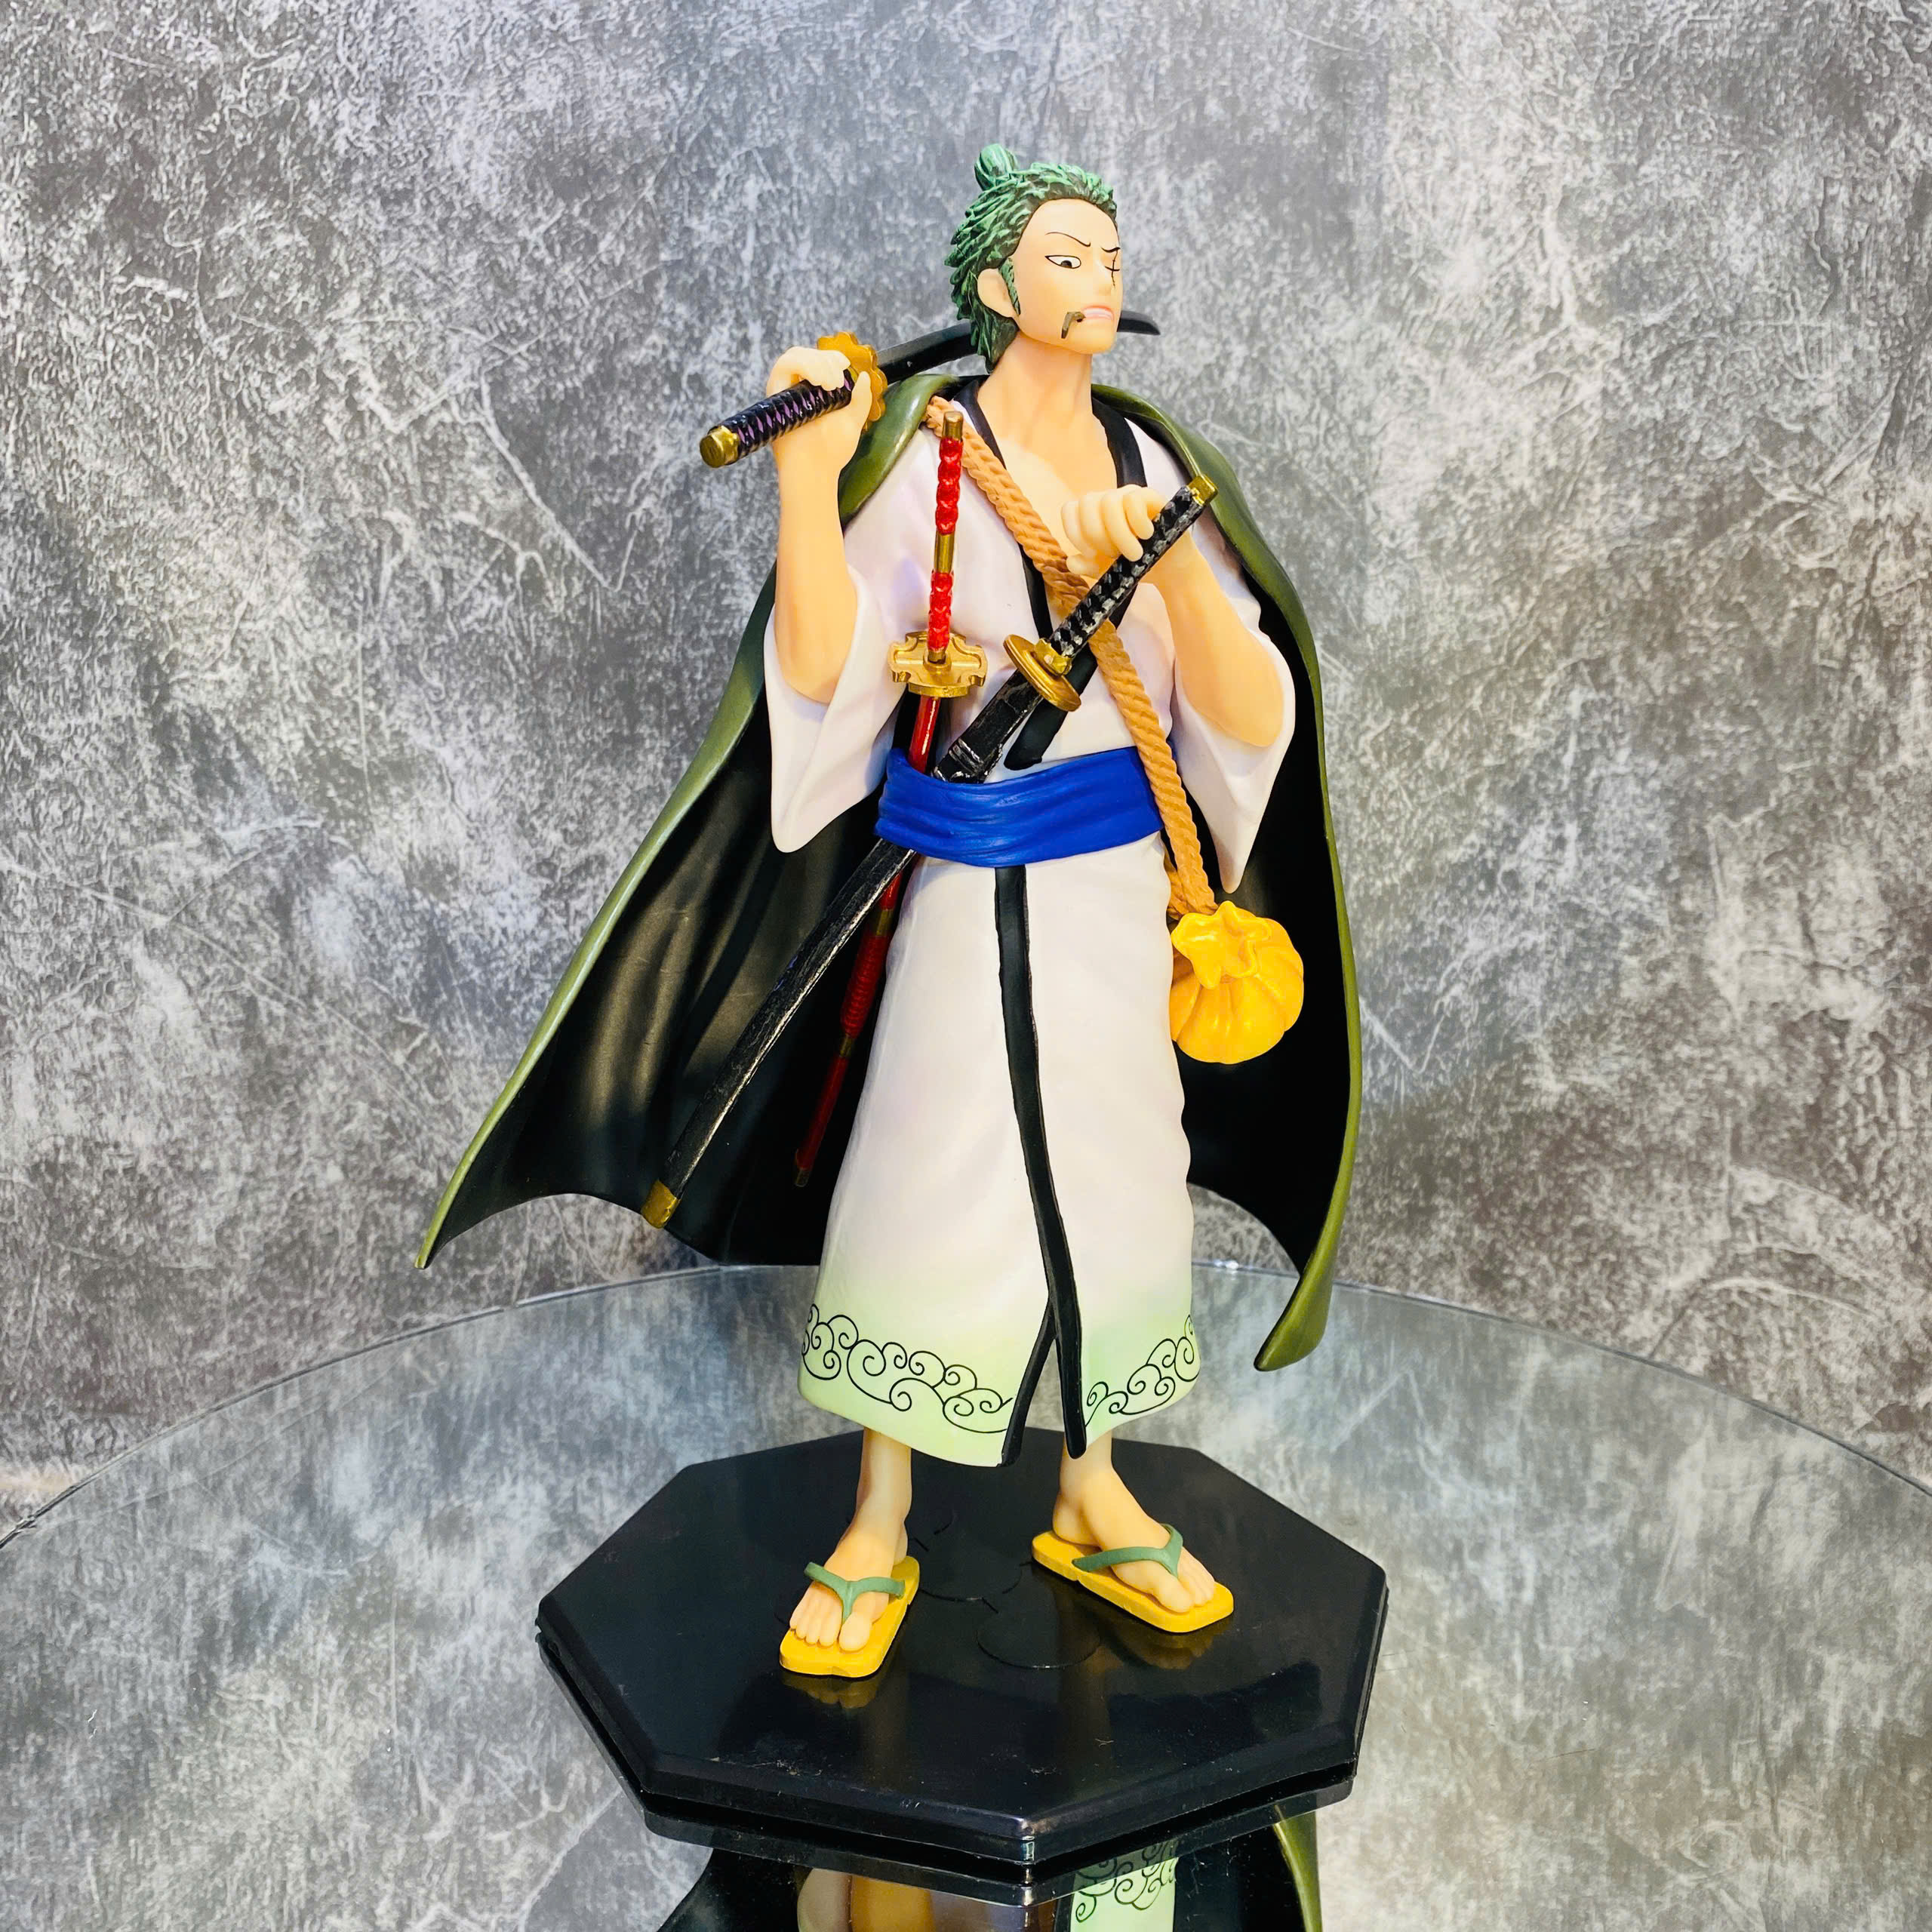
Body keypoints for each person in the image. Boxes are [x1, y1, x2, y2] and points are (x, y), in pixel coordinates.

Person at [414, 146, 1361, 1675]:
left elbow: (1251, 718)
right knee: (927, 1171)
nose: (1099, 277)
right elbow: (823, 676)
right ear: (994, 287)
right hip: (957, 880)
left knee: (1119, 1174)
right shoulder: (928, 460)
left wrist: (1171, 573)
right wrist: (809, 476)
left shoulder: (1154, 462)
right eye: (1064, 255)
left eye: (1107, 253)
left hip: (1115, 896)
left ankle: (1093, 1487)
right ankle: (878, 1511)